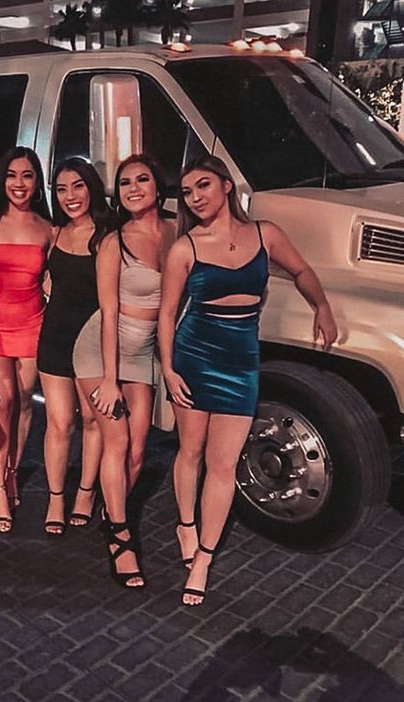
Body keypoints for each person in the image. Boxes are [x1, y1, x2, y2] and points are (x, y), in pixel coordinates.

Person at [159, 155, 338, 606]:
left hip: (240, 361)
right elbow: (166, 315)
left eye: (203, 186)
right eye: (187, 192)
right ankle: (185, 524)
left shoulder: (265, 233)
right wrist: (168, 368)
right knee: (191, 450)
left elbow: (302, 271)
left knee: (223, 466)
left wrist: (322, 306)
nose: (196, 197)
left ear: (225, 185)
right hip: (193, 355)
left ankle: (202, 557)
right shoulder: (186, 247)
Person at [73, 154, 174, 588]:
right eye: (125, 182)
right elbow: (109, 311)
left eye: (142, 179)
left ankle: (110, 507)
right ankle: (120, 535)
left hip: (146, 351)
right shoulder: (115, 240)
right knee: (116, 441)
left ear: (157, 184)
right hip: (101, 350)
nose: (134, 188)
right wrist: (111, 380)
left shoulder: (176, 229)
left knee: (138, 450)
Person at [0, 146, 51, 531]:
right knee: (1, 402)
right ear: (1, 180)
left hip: (32, 323)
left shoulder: (46, 227)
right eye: (11, 175)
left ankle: (11, 471)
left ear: (37, 182)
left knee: (24, 402)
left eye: (27, 176)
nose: (19, 184)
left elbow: (52, 280)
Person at [35, 158, 107, 536]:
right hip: (56, 337)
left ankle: (86, 492)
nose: (69, 196)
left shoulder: (109, 233)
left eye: (77, 186)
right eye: (61, 189)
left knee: (93, 421)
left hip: (94, 342)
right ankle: (56, 497)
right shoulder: (55, 232)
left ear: (91, 186)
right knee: (60, 422)